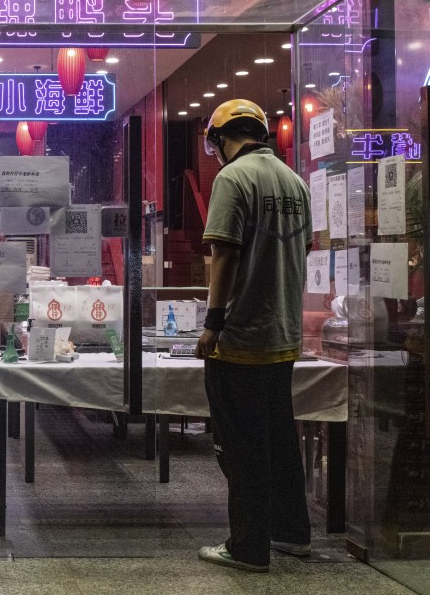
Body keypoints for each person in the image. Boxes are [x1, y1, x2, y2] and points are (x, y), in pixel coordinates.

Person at [194, 99, 313, 573]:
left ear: (222, 139)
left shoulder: (232, 178)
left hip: (241, 336)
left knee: (241, 443)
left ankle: (247, 546)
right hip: (282, 334)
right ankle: (292, 533)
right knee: (281, 436)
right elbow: (304, 250)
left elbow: (224, 254)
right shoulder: (295, 181)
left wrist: (213, 323)